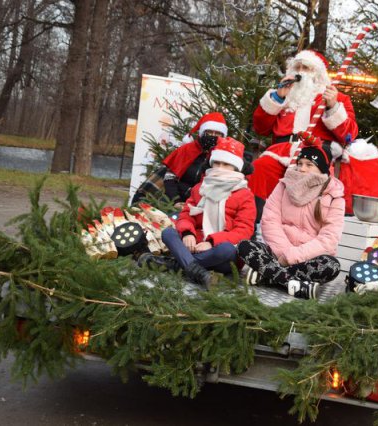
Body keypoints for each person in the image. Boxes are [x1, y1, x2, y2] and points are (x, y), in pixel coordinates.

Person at [249, 50, 358, 218]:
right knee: (260, 168)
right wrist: (277, 98)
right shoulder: (283, 95)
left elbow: (349, 134)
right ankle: (256, 223)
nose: (300, 71)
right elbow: (260, 128)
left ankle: (302, 226)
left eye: (306, 67)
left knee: (310, 178)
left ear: (318, 73)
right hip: (280, 151)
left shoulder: (336, 97)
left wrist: (333, 106)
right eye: (297, 67)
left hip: (315, 151)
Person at [140, 137, 256, 288]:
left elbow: (244, 231)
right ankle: (200, 273)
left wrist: (211, 242)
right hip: (196, 244)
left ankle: (175, 264)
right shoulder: (200, 188)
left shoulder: (245, 195)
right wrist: (188, 233)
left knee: (227, 250)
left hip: (221, 254)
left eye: (226, 164)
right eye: (217, 163)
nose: (220, 168)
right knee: (169, 233)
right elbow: (186, 215)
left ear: (236, 168)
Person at [237, 142, 345, 299]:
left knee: (331, 266)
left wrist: (292, 257)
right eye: (300, 163)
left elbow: (329, 239)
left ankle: (267, 276)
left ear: (321, 169)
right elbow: (270, 220)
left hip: (308, 258)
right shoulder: (284, 185)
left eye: (309, 165)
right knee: (245, 246)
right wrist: (283, 253)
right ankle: (293, 284)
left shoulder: (334, 196)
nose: (301, 169)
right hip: (277, 253)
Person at [131, 112, 228, 206]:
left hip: (202, 203)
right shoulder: (187, 150)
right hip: (174, 197)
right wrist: (176, 201)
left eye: (217, 133)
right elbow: (169, 178)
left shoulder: (224, 157)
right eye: (209, 132)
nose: (213, 136)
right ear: (202, 132)